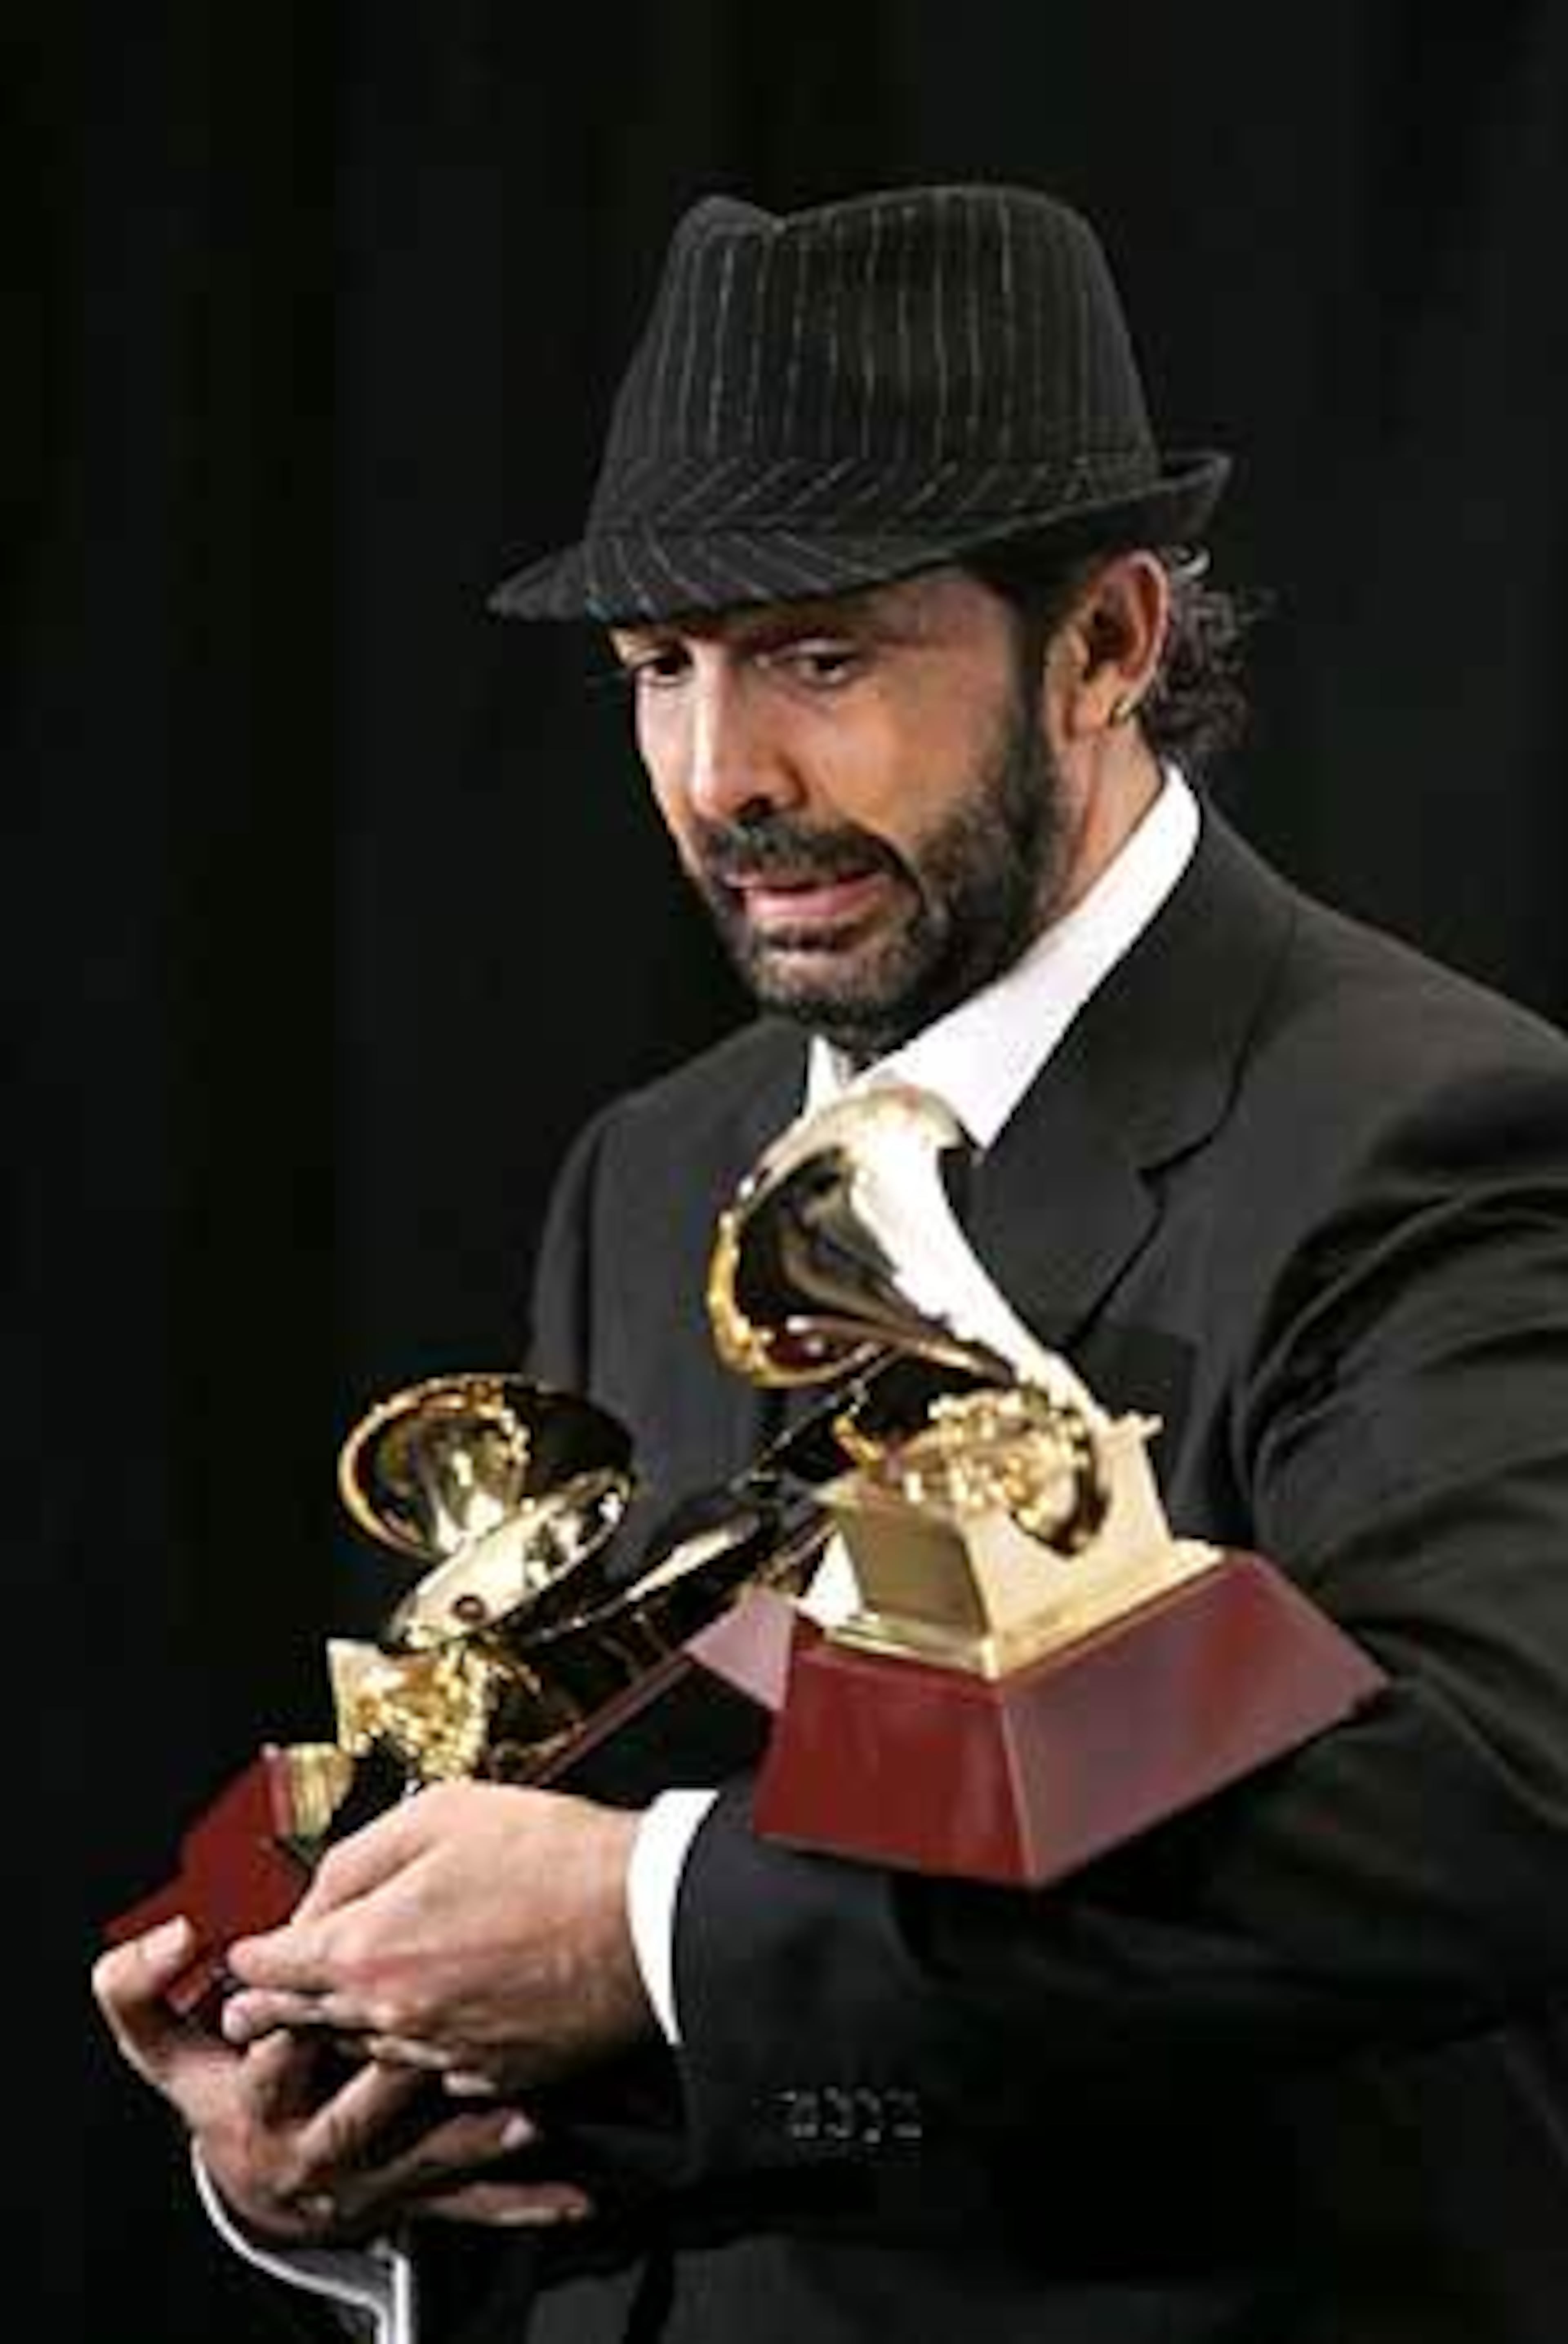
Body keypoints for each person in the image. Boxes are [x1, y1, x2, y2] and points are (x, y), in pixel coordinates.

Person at [93, 184, 1568, 2344]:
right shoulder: (651, 1165)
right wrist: (327, 2141)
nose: (721, 778)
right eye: (656, 671)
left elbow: (1495, 1798)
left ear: (1107, 645)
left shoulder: (1427, 1125)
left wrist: (661, 1926)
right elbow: (650, 1926)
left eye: (817, 655)